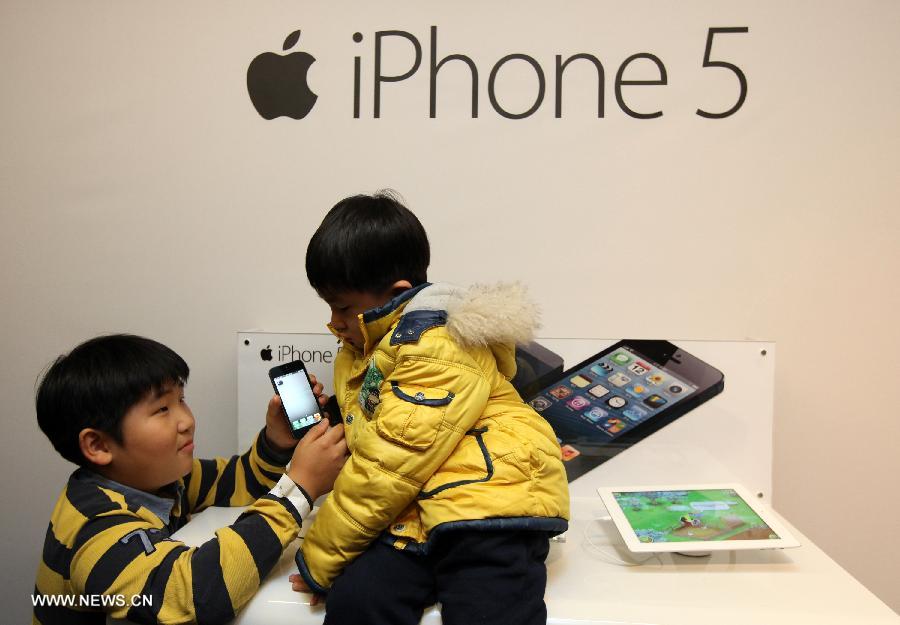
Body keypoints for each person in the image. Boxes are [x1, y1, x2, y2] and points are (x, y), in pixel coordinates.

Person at [291, 191, 570, 625]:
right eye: (328, 306)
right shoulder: (365, 349)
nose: (335, 321)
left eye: (343, 307)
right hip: (417, 511)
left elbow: (390, 464)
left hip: (490, 502)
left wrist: (320, 556)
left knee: (489, 609)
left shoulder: (434, 344)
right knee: (356, 603)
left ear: (399, 292)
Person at [32, 334, 347, 625]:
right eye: (162, 409)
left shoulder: (161, 480)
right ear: (99, 446)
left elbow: (241, 482)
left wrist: (276, 442)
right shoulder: (93, 528)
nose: (187, 421)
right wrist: (298, 490)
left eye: (181, 400)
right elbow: (196, 593)